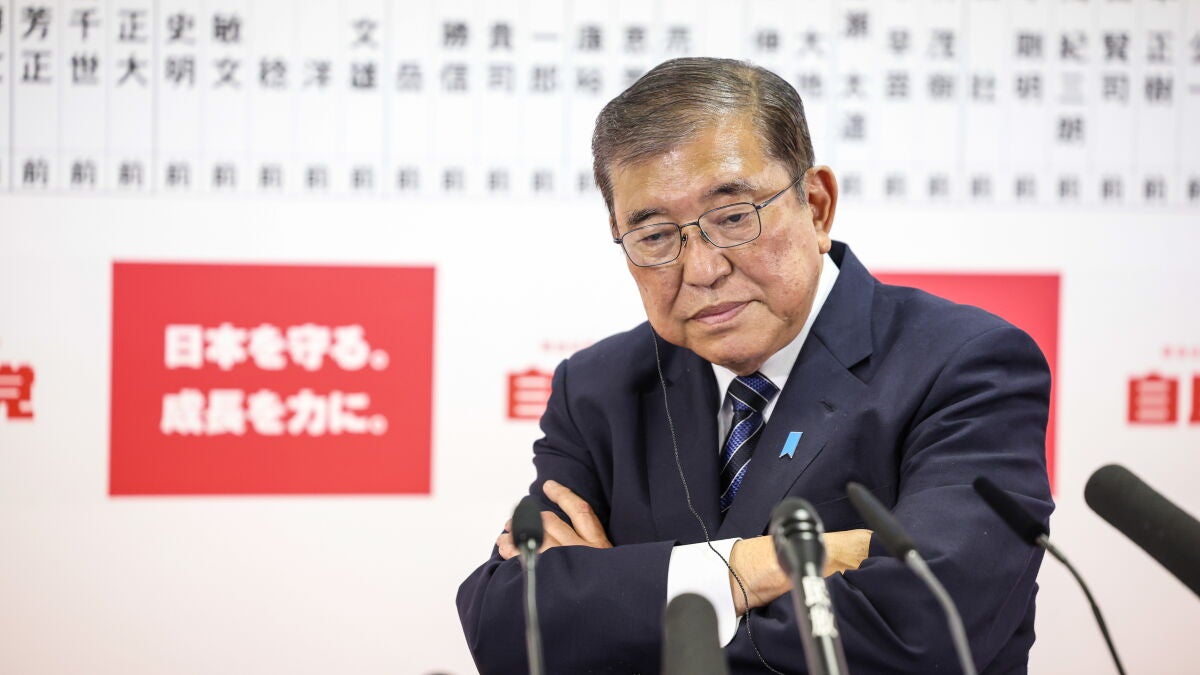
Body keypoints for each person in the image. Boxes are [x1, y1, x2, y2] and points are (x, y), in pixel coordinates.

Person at [457, 57, 1053, 674]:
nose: (702, 269)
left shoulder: (964, 364)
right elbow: (507, 625)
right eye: (655, 235)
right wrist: (751, 567)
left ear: (816, 206)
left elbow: (926, 627)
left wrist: (619, 606)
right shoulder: (599, 388)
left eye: (734, 218)